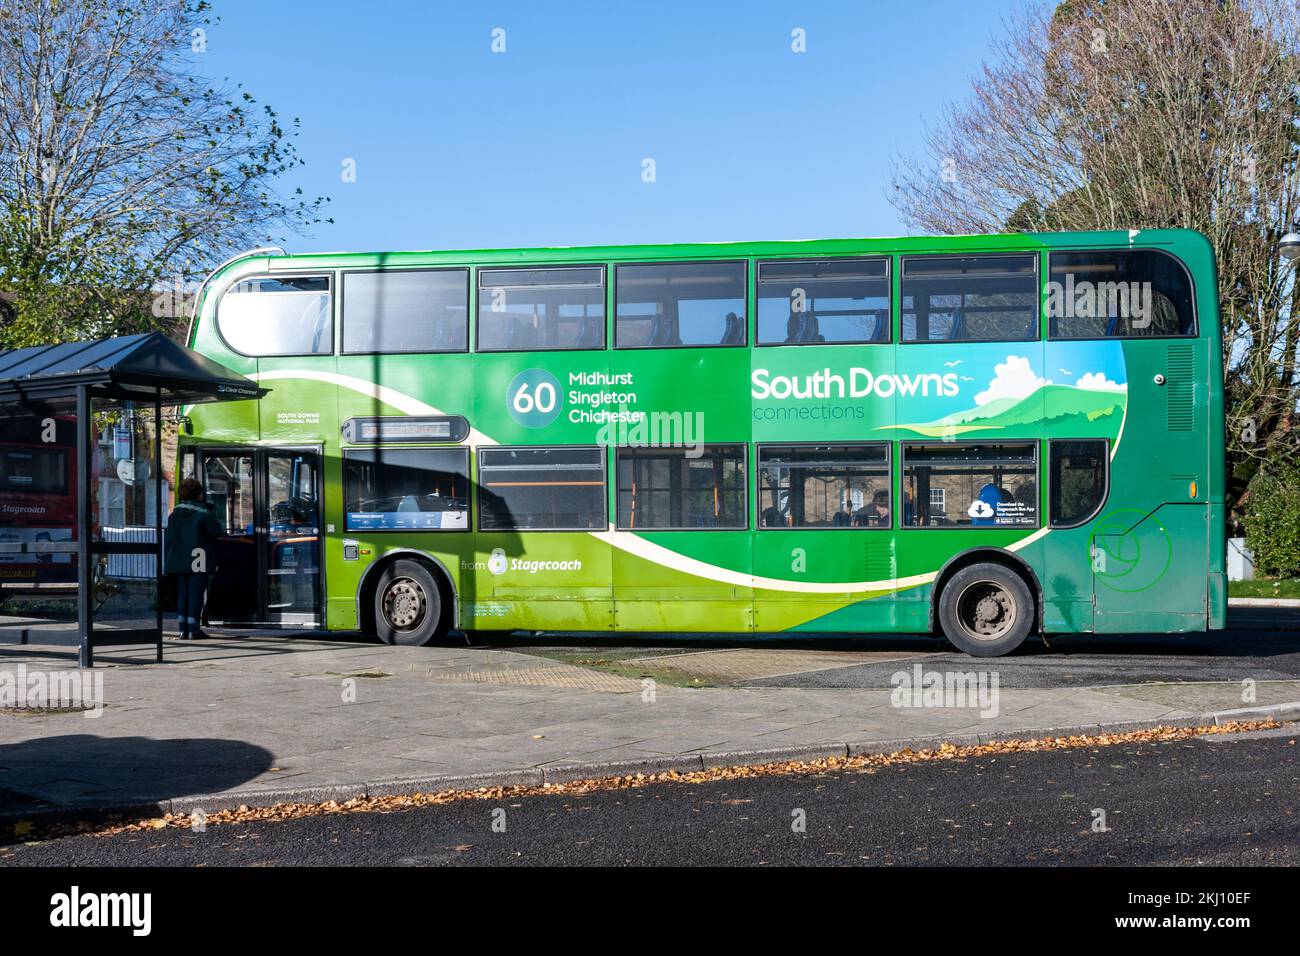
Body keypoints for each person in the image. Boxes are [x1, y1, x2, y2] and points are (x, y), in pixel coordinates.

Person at [164, 478, 223, 640]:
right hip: (198, 558)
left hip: (178, 559)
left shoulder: (174, 514)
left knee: (183, 593)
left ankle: (182, 629)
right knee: (196, 593)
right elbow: (216, 532)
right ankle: (194, 629)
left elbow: (169, 538)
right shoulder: (203, 513)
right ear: (198, 494)